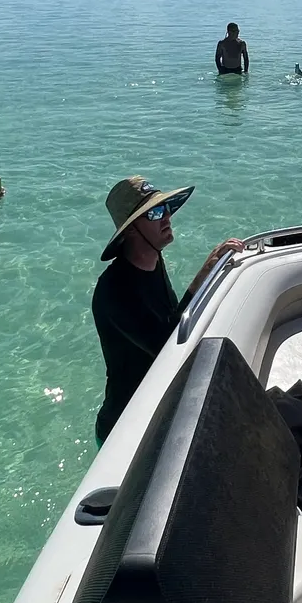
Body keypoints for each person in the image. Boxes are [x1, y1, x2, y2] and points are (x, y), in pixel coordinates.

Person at [92, 175, 244, 443]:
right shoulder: (113, 290)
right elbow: (167, 348)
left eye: (167, 208)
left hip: (157, 409)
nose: (167, 217)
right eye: (154, 212)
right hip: (122, 429)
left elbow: (171, 322)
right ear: (130, 231)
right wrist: (204, 274)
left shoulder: (153, 259)